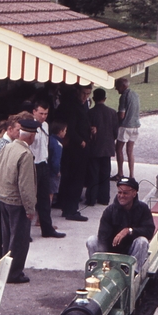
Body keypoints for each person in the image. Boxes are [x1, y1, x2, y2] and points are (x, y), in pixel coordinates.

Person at [0, 118, 40, 283]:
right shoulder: (26, 154)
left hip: (3, 198)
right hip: (17, 201)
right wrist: (30, 208)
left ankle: (5, 270)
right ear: (31, 136)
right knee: (19, 240)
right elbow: (26, 184)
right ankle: (14, 273)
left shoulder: (7, 147)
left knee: (7, 237)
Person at [86, 177, 155, 277]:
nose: (121, 196)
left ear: (134, 193)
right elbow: (102, 237)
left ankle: (132, 275)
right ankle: (97, 272)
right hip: (111, 253)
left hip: (131, 253)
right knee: (91, 240)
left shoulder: (143, 208)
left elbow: (149, 231)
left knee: (142, 242)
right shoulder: (110, 211)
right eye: (119, 192)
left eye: (125, 193)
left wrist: (129, 231)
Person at [56, 85, 92, 222]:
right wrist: (80, 141)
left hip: (80, 145)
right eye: (84, 93)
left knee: (73, 179)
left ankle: (68, 207)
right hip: (75, 147)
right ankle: (71, 209)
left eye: (88, 94)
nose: (85, 97)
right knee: (75, 179)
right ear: (78, 92)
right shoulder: (72, 106)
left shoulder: (82, 105)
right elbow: (70, 127)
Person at [30, 100, 61, 238]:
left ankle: (47, 228)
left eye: (46, 114)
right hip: (32, 164)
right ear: (34, 112)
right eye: (41, 113)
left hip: (44, 163)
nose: (43, 116)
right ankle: (26, 232)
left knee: (44, 198)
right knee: (30, 199)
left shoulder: (46, 126)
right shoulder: (30, 126)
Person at [86, 88, 118, 206]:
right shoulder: (112, 112)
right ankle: (104, 198)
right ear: (105, 99)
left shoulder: (90, 113)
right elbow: (116, 132)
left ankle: (91, 198)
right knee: (105, 174)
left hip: (94, 147)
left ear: (93, 99)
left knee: (93, 174)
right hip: (108, 147)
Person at [113, 77, 140, 181]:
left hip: (125, 126)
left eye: (117, 86)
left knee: (118, 149)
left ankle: (120, 173)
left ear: (123, 86)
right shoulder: (135, 94)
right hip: (135, 126)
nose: (116, 89)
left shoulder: (124, 96)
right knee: (130, 151)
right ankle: (131, 175)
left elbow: (121, 115)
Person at [48, 120, 66, 208]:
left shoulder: (49, 139)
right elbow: (56, 161)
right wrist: (57, 171)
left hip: (45, 169)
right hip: (52, 173)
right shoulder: (58, 144)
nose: (66, 133)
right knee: (50, 194)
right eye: (65, 130)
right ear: (60, 132)